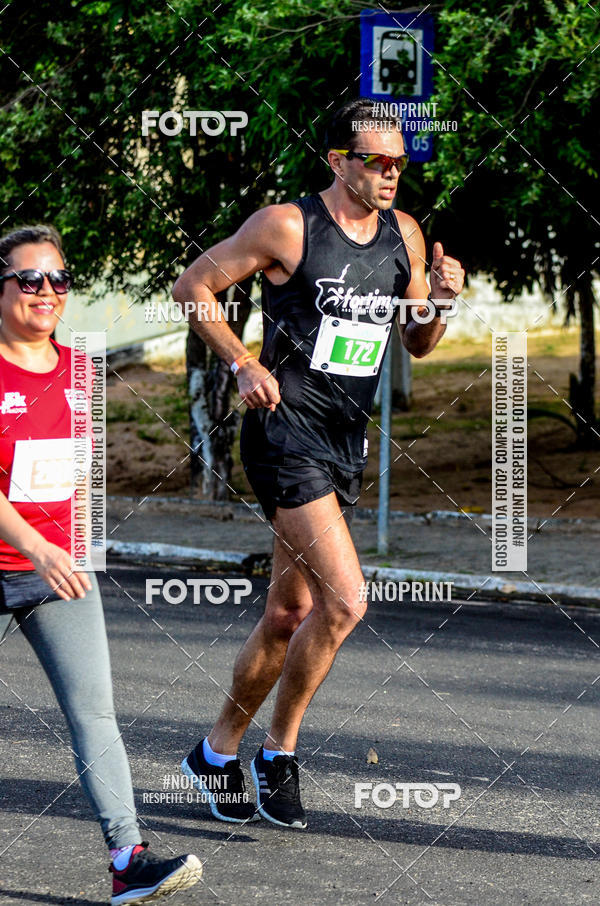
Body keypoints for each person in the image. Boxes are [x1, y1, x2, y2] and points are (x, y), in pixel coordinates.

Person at [173, 98, 465, 829]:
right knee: (346, 602)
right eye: (377, 160)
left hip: (344, 440)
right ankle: (280, 754)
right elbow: (192, 288)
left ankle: (214, 753)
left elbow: (417, 341)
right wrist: (241, 362)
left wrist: (443, 301)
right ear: (338, 160)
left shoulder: (404, 234)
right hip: (284, 431)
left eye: (400, 163)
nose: (392, 173)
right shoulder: (288, 226)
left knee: (287, 614)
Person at [0, 225, 202, 903]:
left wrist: (77, 548)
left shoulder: (80, 366)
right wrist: (37, 547)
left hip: (58, 573)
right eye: (30, 279)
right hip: (25, 557)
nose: (47, 291)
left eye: (58, 279)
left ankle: (128, 859)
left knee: (95, 715)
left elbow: (82, 467)